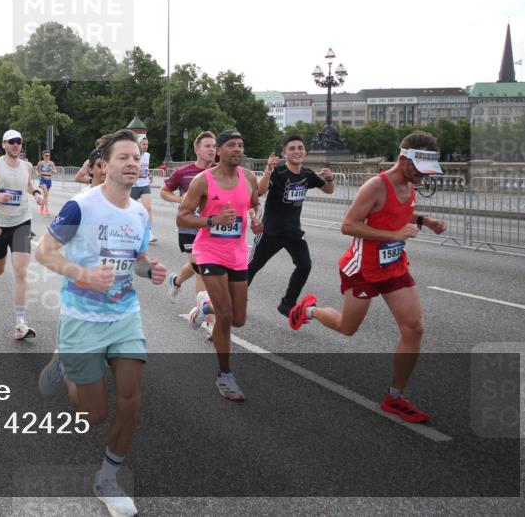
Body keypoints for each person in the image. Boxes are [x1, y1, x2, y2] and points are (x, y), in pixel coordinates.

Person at [35, 129, 167, 517]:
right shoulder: (81, 206)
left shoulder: (140, 212)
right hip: (81, 320)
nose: (132, 163)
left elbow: (139, 260)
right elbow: (44, 251)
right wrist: (81, 274)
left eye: (136, 157)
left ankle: (107, 479)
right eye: (123, 157)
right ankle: (66, 365)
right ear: (104, 164)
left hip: (125, 317)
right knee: (93, 414)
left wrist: (150, 270)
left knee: (130, 401)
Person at [289, 132, 447, 423]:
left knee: (414, 329)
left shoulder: (410, 185)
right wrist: (393, 235)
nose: (424, 177)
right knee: (347, 328)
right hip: (362, 268)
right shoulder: (376, 185)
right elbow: (348, 225)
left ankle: (395, 398)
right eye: (421, 170)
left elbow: (398, 213)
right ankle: (307, 309)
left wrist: (425, 220)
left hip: (394, 265)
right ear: (404, 160)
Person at [177, 129, 263, 402]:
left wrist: (256, 220)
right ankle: (225, 376)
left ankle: (204, 307)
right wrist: (212, 221)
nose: (238, 150)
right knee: (225, 315)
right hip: (209, 251)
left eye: (241, 145)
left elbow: (252, 205)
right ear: (220, 151)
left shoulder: (248, 178)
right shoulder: (203, 181)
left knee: (239, 318)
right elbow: (182, 217)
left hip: (237, 252)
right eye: (232, 146)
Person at [249, 135, 335, 317]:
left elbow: (328, 190)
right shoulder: (278, 172)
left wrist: (329, 179)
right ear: (284, 153)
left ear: (305, 152)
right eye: (292, 148)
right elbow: (260, 191)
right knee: (252, 267)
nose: (297, 151)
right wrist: (268, 170)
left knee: (305, 265)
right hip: (270, 232)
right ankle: (233, 297)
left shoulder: (307, 174)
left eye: (300, 148)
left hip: (293, 232)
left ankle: (287, 304)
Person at [0, 129, 44, 340]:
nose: (16, 145)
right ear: (4, 144)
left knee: (21, 271)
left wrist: (37, 193)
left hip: (22, 221)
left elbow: (29, 185)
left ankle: (20, 324)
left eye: (19, 142)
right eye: (12, 142)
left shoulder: (27, 166)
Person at [160, 131, 216, 305]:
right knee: (200, 267)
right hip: (188, 226)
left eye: (214, 146)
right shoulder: (183, 172)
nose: (212, 149)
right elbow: (164, 191)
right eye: (208, 146)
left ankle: (176, 281)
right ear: (197, 149)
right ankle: (205, 314)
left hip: (211, 227)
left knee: (197, 265)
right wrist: (180, 199)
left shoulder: (221, 172)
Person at [131, 135, 157, 243]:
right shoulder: (132, 155)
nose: (145, 146)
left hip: (144, 185)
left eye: (147, 144)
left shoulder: (147, 155)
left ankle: (148, 233)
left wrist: (149, 175)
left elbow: (145, 168)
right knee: (129, 210)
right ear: (138, 144)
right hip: (133, 186)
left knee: (148, 208)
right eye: (143, 144)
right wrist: (135, 172)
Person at [35, 150, 57, 216]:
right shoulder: (40, 163)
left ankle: (42, 207)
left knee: (45, 195)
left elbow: (55, 171)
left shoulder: (51, 163)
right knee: (46, 194)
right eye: (46, 156)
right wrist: (37, 174)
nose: (47, 157)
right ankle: (47, 210)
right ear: (43, 156)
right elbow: (36, 169)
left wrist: (52, 170)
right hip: (43, 179)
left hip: (49, 179)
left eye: (48, 156)